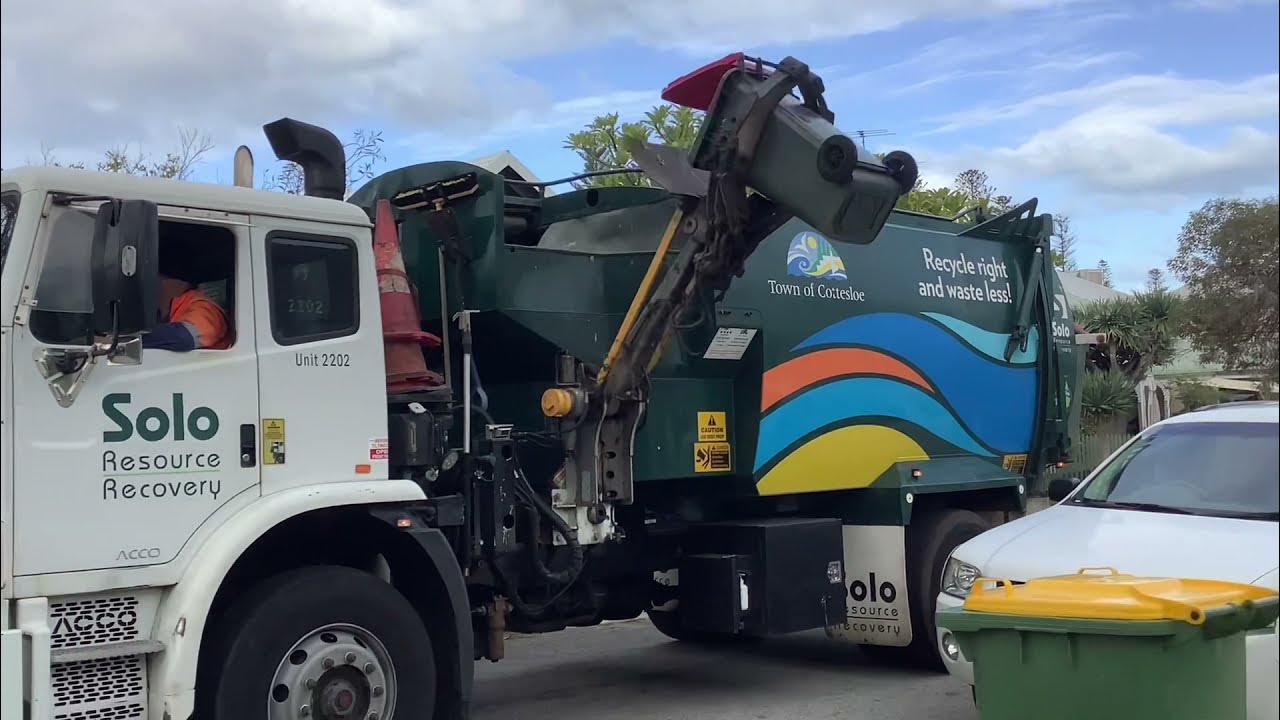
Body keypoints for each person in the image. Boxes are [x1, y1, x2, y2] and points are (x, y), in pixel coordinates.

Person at [143, 273, 231, 351]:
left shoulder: (204, 306)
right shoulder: (171, 313)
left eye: (160, 280)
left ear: (180, 283)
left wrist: (133, 338)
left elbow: (185, 336)